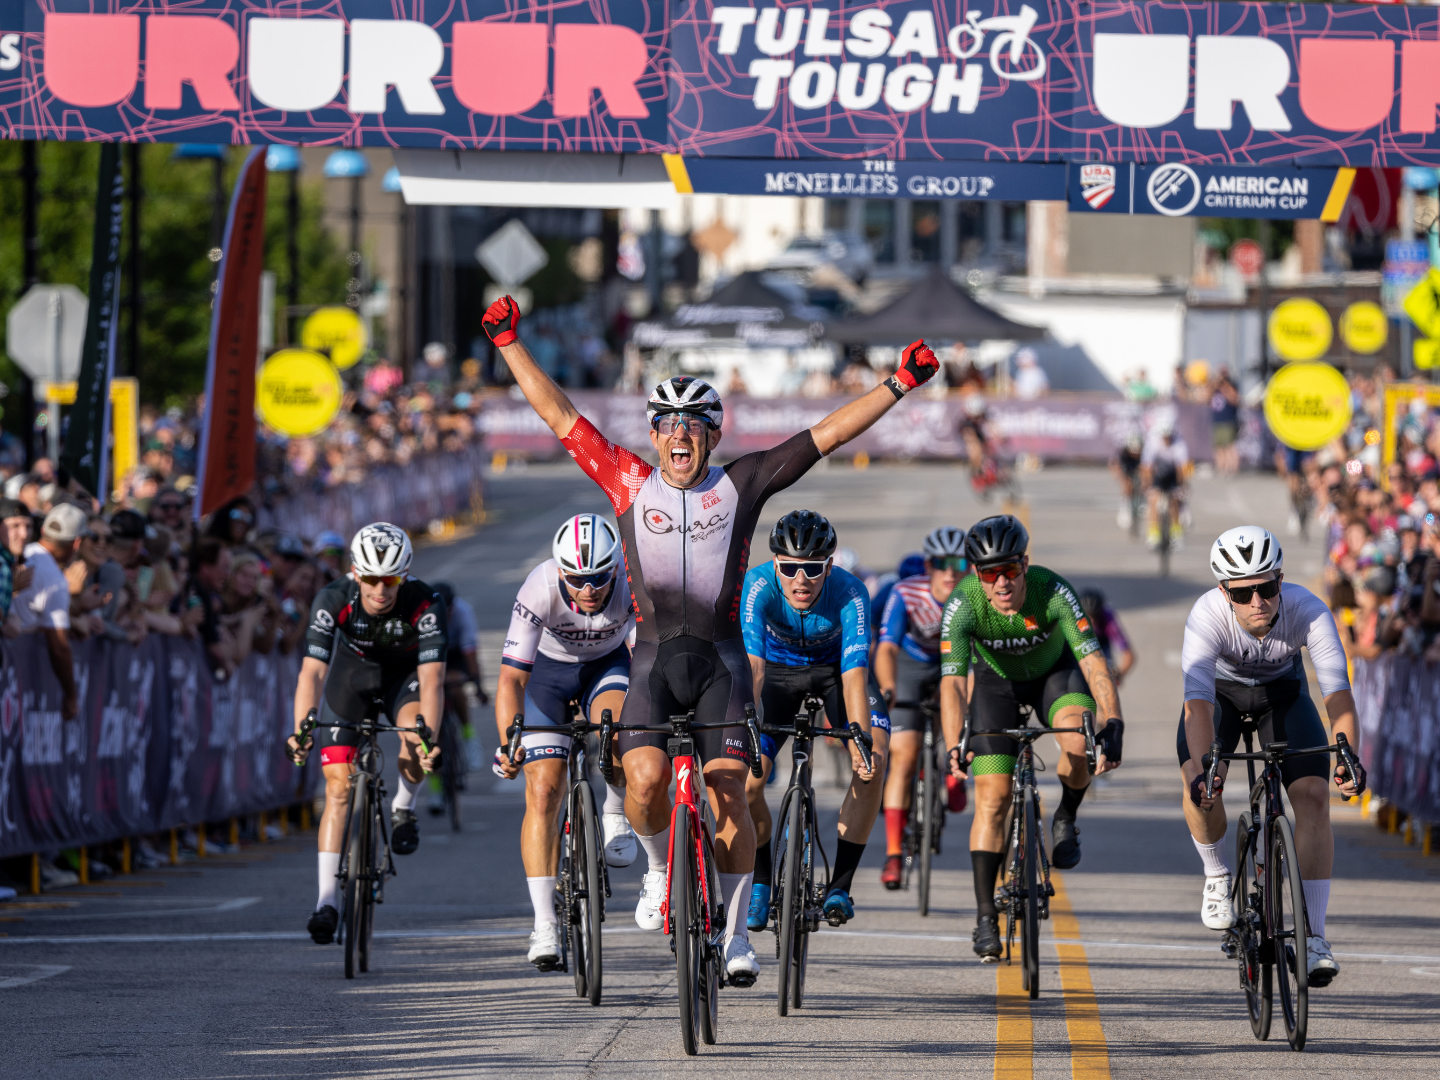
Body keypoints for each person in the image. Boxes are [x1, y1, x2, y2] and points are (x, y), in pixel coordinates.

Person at [481, 292, 939, 984]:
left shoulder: (743, 483)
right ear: (655, 433)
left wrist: (897, 384)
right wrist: (510, 342)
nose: (679, 435)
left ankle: (733, 939)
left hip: (722, 664)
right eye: (666, 423)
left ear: (713, 434)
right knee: (642, 782)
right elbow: (561, 417)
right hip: (653, 662)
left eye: (693, 424)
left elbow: (827, 435)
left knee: (730, 788)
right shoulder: (628, 482)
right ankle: (662, 874)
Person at [1181, 526, 1363, 986]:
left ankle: (1315, 937)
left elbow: (1337, 695)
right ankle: (1217, 873)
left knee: (1314, 794)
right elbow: (1197, 705)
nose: (1257, 601)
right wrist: (1206, 772)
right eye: (1243, 593)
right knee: (1199, 782)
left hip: (1282, 695)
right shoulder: (1206, 616)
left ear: (1281, 580)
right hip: (1220, 697)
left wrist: (1348, 757)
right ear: (1225, 592)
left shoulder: (1308, 610)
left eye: (1267, 587)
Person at [940, 515, 1125, 961]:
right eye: (989, 573)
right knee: (992, 797)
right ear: (975, 575)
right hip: (994, 685)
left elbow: (1094, 662)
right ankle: (986, 917)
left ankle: (1065, 816)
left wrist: (1113, 722)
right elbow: (951, 681)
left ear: (1025, 564)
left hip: (1054, 676)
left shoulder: (1053, 590)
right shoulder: (963, 605)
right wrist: (953, 743)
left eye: (1009, 570)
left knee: (1078, 746)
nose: (1001, 582)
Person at [287, 523, 447, 946]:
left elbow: (432, 681)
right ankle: (326, 902)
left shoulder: (426, 602)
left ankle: (403, 806)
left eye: (390, 579)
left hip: (404, 679)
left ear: (404, 574)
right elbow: (313, 672)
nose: (380, 589)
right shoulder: (332, 598)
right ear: (355, 573)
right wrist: (301, 727)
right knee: (337, 789)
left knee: (415, 734)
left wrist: (429, 739)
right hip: (350, 678)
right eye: (371, 579)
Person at [491, 514, 637, 970]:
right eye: (576, 579)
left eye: (598, 578)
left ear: (615, 568)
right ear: (560, 571)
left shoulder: (634, 582)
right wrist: (510, 740)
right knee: (543, 789)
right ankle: (544, 924)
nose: (588, 588)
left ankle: (614, 812)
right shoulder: (540, 586)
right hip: (547, 678)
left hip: (607, 666)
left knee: (614, 726)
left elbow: (647, 660)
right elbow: (512, 679)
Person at [740, 510, 890, 931]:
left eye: (812, 568)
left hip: (836, 673)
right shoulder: (756, 586)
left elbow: (855, 674)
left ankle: (840, 884)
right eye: (789, 568)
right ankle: (762, 881)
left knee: (872, 762)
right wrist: (746, 731)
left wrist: (859, 741)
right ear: (775, 565)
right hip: (777, 675)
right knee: (747, 781)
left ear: (829, 565)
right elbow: (753, 669)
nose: (800, 579)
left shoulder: (850, 592)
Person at [874, 526, 967, 889]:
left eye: (958, 563)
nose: (950, 572)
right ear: (928, 565)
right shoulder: (905, 592)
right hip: (912, 665)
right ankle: (894, 853)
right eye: (941, 564)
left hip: (954, 664)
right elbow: (886, 648)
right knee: (905, 754)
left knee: (958, 704)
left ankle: (953, 766)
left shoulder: (976, 595)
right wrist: (887, 686)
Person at [14, 504, 85, 720]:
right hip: (14, 676)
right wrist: (71, 696)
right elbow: (59, 647)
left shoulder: (21, 552)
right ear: (76, 543)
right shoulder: (54, 578)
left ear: (43, 531)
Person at [1142, 417, 1190, 550]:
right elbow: (1146, 467)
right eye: (1164, 436)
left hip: (1173, 473)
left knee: (1174, 501)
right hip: (1157, 473)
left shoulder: (1179, 443)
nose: (1166, 439)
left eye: (1169, 436)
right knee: (1153, 500)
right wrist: (1147, 484)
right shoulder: (1152, 442)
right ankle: (1153, 535)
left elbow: (1183, 468)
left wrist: (1182, 485)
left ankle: (1176, 534)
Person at [1079, 588, 1135, 686]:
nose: (1092, 622)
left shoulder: (1107, 618)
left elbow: (1129, 655)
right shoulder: (1074, 617)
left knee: (1106, 678)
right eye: (1088, 616)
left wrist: (1118, 675)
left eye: (1095, 616)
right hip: (1080, 640)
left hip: (1101, 643)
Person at [1111, 431, 1144, 531]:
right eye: (1134, 452)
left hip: (1139, 468)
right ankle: (1124, 506)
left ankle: (1143, 501)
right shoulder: (1123, 453)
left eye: (1138, 452)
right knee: (1127, 483)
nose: (1136, 454)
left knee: (1145, 479)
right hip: (1128, 468)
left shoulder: (1145, 452)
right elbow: (1114, 465)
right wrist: (1119, 476)